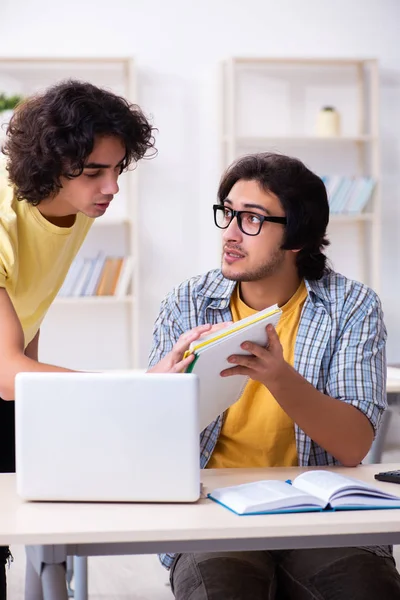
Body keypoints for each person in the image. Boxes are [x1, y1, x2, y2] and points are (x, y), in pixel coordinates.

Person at [148, 152, 400, 599]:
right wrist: (160, 385)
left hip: (324, 513)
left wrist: (280, 377)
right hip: (213, 513)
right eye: (227, 213)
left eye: (252, 219)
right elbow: (149, 439)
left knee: (366, 588)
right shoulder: (187, 302)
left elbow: (354, 445)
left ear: (297, 236)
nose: (230, 232)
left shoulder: (352, 306)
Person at [0, 79, 213, 599]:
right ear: (49, 165)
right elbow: (8, 375)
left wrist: (38, 407)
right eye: (95, 171)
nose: (112, 186)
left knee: (36, 532)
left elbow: (27, 316)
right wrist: (143, 383)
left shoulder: (73, 209)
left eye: (117, 169)